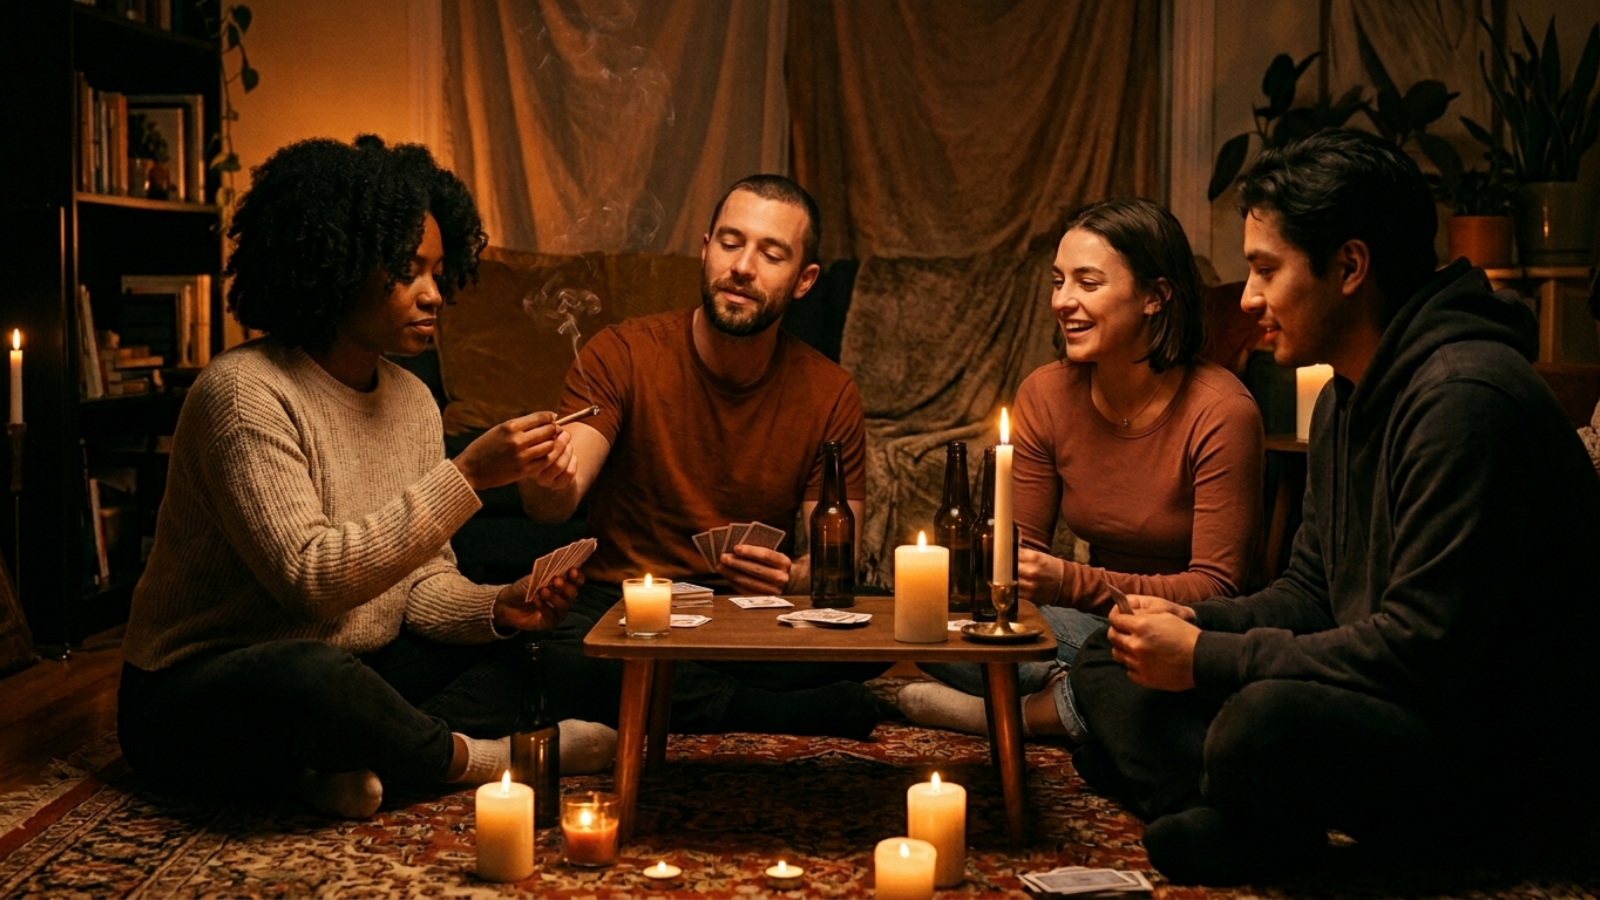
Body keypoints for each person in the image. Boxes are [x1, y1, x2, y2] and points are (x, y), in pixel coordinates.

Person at [1069, 129, 1600, 885]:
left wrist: (1210, 661)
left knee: (1262, 721)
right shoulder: (1344, 398)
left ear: (1349, 266)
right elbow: (1311, 591)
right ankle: (1239, 818)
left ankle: (1232, 810)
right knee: (1109, 651)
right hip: (1392, 700)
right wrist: (1193, 629)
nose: (1247, 298)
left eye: (1265, 270)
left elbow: (1420, 654)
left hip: (1499, 755)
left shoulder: (1467, 398)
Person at [118, 135, 612, 821]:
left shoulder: (411, 398)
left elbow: (421, 587)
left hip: (356, 666)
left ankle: (334, 768)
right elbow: (313, 583)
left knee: (560, 655)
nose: (434, 295)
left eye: (440, 272)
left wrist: (499, 607)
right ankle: (491, 759)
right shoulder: (243, 394)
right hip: (210, 686)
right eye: (410, 270)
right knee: (314, 678)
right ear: (337, 261)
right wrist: (467, 474)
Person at [519, 174, 887, 739]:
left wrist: (790, 575)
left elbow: (835, 566)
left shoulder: (830, 391)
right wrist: (546, 475)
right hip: (625, 609)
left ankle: (673, 695)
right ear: (705, 247)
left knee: (877, 630)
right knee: (559, 657)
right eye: (731, 242)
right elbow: (555, 500)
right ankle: (762, 710)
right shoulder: (622, 353)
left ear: (804, 280)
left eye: (772, 253)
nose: (742, 266)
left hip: (746, 617)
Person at [899, 197, 1263, 743]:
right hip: (1085, 627)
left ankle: (1018, 716)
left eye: (1087, 283)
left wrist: (1072, 581)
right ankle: (1082, 695)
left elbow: (1216, 589)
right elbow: (1021, 561)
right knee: (930, 635)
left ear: (1155, 297)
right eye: (1058, 281)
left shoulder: (1222, 412)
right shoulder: (1047, 394)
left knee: (1118, 653)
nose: (1062, 301)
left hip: (1183, 631)